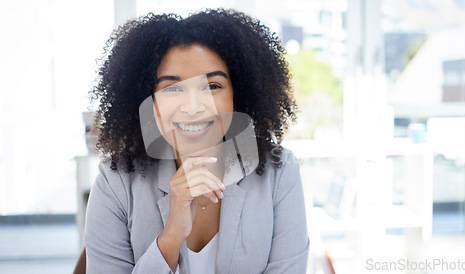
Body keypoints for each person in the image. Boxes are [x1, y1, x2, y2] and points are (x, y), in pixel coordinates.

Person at [85, 8, 309, 274]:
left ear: (238, 95)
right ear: (150, 102)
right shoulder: (117, 180)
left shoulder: (279, 171)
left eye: (212, 86)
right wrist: (171, 236)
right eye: (172, 88)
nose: (192, 107)